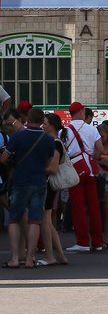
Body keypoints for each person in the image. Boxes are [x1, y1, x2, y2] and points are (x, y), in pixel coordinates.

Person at [1, 107, 57, 269]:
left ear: (27, 119)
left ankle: (14, 258)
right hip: (40, 181)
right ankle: (30, 259)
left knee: (14, 219)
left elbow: (4, 159)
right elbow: (48, 163)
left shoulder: (18, 136)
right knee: (35, 220)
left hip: (20, 181)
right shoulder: (47, 139)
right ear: (41, 121)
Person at [64, 101, 105, 253]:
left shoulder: (65, 131)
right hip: (90, 170)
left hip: (74, 170)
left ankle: (82, 241)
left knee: (78, 207)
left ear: (70, 114)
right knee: (94, 206)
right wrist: (92, 158)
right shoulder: (92, 129)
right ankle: (98, 242)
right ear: (82, 112)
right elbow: (100, 149)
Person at [40, 113, 69, 266]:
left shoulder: (55, 143)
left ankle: (50, 256)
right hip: (49, 184)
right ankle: (60, 255)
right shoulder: (54, 141)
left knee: (46, 221)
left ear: (51, 125)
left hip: (48, 184)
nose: (42, 126)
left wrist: (36, 168)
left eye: (44, 123)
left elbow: (52, 168)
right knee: (48, 222)